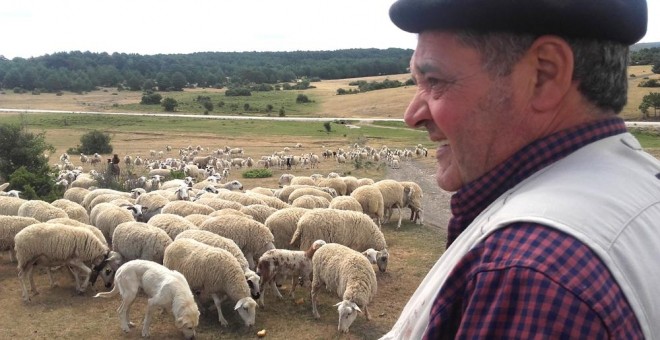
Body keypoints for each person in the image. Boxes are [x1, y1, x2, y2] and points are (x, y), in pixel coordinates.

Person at [383, 0, 660, 339]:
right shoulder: (640, 186)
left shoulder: (531, 271)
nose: (412, 116)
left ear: (544, 74)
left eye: (435, 80)